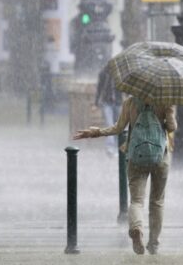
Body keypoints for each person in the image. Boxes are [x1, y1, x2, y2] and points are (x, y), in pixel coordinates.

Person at [73, 96, 176, 255]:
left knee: (136, 201)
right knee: (157, 202)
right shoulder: (165, 100)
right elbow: (171, 127)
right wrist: (169, 110)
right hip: (160, 157)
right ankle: (154, 244)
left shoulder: (131, 102)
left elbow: (118, 128)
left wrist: (96, 132)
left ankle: (136, 228)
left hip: (136, 156)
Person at [94, 66, 122, 156]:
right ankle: (110, 147)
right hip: (107, 103)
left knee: (118, 125)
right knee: (109, 124)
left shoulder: (120, 74)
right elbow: (99, 88)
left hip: (118, 102)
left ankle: (117, 147)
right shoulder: (103, 73)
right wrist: (96, 102)